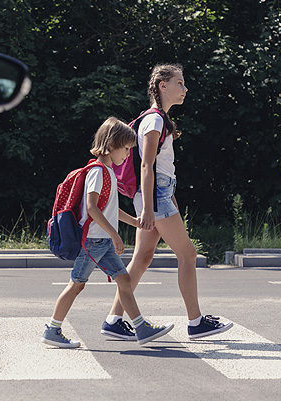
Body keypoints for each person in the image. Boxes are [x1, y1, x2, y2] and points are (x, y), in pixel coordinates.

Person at [100, 64, 233, 341]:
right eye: (180, 83)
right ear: (163, 85)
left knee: (143, 257)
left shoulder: (158, 120)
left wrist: (165, 197)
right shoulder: (155, 120)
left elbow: (158, 166)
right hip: (154, 196)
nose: (185, 89)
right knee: (188, 255)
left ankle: (113, 320)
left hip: (159, 194)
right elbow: (147, 165)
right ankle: (196, 322)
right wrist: (150, 208)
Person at [42, 117, 174, 348]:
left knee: (124, 280)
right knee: (77, 285)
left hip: (100, 241)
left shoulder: (108, 172)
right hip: (93, 241)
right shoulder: (98, 171)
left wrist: (133, 221)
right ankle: (53, 329)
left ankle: (141, 328)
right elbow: (92, 208)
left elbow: (109, 209)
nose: (127, 155)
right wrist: (115, 234)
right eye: (125, 149)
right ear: (111, 145)